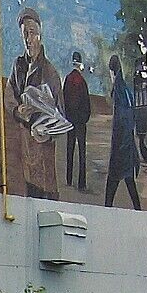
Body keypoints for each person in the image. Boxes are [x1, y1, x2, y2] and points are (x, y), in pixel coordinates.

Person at [7, 7, 63, 199]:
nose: (29, 39)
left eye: (32, 33)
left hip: (44, 143)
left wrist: (48, 129)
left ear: (40, 34)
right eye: (25, 34)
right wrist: (17, 110)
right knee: (30, 188)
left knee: (46, 191)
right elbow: (9, 93)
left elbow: (61, 114)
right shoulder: (18, 65)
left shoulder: (50, 72)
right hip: (26, 141)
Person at [104, 55, 141, 210]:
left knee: (112, 183)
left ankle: (106, 210)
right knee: (129, 181)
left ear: (112, 72)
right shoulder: (126, 90)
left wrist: (118, 148)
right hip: (127, 146)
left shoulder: (119, 91)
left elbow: (122, 123)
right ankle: (139, 211)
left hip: (121, 148)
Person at [62, 49, 91, 191]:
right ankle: (82, 183)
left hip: (70, 121)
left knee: (70, 149)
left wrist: (67, 117)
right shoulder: (83, 82)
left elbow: (64, 100)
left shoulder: (67, 80)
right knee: (82, 152)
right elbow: (87, 103)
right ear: (80, 64)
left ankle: (68, 179)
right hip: (80, 122)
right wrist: (84, 118)